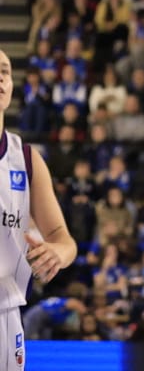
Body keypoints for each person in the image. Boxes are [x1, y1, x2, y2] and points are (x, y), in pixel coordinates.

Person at [0, 50, 76, 367]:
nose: (0, 79)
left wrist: (56, 253)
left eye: (4, 71)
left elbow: (64, 240)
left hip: (5, 314)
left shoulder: (27, 159)